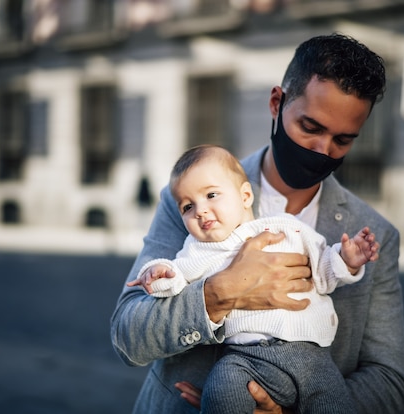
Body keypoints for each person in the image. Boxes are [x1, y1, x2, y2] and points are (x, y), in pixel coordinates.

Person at [111, 33, 404, 414]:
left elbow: (390, 382)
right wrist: (219, 293)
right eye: (311, 127)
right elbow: (127, 335)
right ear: (276, 103)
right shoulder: (196, 203)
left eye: (343, 140)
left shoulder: (374, 233)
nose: (323, 150)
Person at [127, 145, 378, 413]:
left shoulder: (286, 227)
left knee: (334, 402)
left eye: (211, 195)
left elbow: (324, 271)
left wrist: (347, 260)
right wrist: (159, 274)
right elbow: (177, 276)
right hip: (244, 359)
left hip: (310, 355)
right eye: (188, 207)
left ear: (245, 195)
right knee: (221, 390)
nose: (200, 211)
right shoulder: (199, 250)